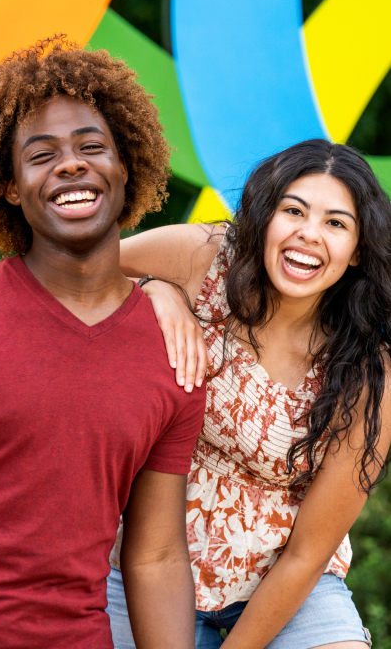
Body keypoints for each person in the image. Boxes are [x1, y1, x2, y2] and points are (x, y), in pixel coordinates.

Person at [0, 37, 206, 648]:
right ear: (8, 187)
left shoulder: (174, 354)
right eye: (41, 154)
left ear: (125, 167)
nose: (71, 164)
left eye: (91, 146)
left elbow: (155, 557)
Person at [109, 139, 391, 649]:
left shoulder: (370, 367)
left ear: (357, 252)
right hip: (146, 563)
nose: (308, 234)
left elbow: (308, 553)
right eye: (293, 211)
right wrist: (156, 289)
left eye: (336, 223)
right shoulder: (206, 259)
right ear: (265, 219)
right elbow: (81, 268)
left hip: (289, 589)